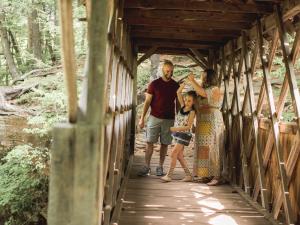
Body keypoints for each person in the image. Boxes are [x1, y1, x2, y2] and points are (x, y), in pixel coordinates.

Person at [138, 60, 179, 176]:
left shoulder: (176, 85)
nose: (169, 73)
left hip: (169, 119)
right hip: (154, 117)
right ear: (162, 70)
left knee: (165, 143)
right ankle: (146, 166)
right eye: (167, 71)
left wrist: (179, 119)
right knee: (149, 141)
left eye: (171, 71)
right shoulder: (154, 84)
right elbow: (147, 102)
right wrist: (142, 118)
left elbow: (178, 104)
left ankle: (160, 167)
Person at [187, 69, 225, 186]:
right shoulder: (203, 89)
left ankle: (217, 176)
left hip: (213, 120)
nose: (202, 79)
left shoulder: (215, 89)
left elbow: (204, 93)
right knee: (203, 148)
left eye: (204, 77)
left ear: (210, 78)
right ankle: (205, 174)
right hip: (203, 121)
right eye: (201, 77)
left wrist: (192, 81)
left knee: (213, 147)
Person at [161, 82, 196, 182]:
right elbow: (178, 92)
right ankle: (188, 175)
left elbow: (188, 126)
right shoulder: (182, 107)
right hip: (177, 134)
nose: (186, 102)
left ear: (193, 102)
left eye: (189, 101)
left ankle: (169, 175)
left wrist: (175, 129)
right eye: (185, 99)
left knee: (173, 153)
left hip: (184, 134)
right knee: (179, 156)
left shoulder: (192, 112)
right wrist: (184, 84)